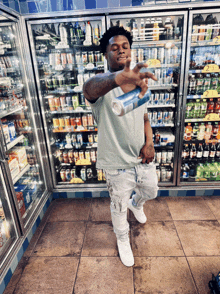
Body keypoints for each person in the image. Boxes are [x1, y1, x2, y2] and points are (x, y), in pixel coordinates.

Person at [83, 26, 158, 267]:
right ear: (105, 55)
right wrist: (118, 78)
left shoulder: (139, 82)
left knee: (152, 191)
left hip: (141, 157)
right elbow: (88, 89)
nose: (121, 51)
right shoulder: (102, 86)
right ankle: (123, 239)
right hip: (116, 164)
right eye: (114, 48)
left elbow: (145, 117)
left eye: (125, 46)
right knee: (117, 208)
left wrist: (149, 143)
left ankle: (136, 203)